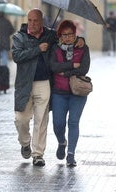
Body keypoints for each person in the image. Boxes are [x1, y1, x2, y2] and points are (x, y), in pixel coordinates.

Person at [11, 8, 84, 167]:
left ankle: (38, 154)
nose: (32, 24)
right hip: (25, 84)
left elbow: (67, 40)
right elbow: (17, 56)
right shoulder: (19, 37)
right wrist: (38, 49)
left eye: (36, 20)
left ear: (41, 21)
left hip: (44, 82)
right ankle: (25, 142)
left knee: (41, 119)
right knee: (21, 119)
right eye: (30, 20)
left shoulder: (50, 36)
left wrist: (80, 41)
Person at [49, 20, 90, 167]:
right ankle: (62, 142)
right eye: (64, 34)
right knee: (58, 124)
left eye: (71, 34)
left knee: (73, 122)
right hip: (59, 93)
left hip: (78, 92)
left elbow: (84, 68)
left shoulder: (83, 48)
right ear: (60, 35)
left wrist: (64, 72)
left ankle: (71, 154)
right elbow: (53, 66)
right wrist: (72, 65)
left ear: (75, 34)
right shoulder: (55, 49)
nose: (68, 37)